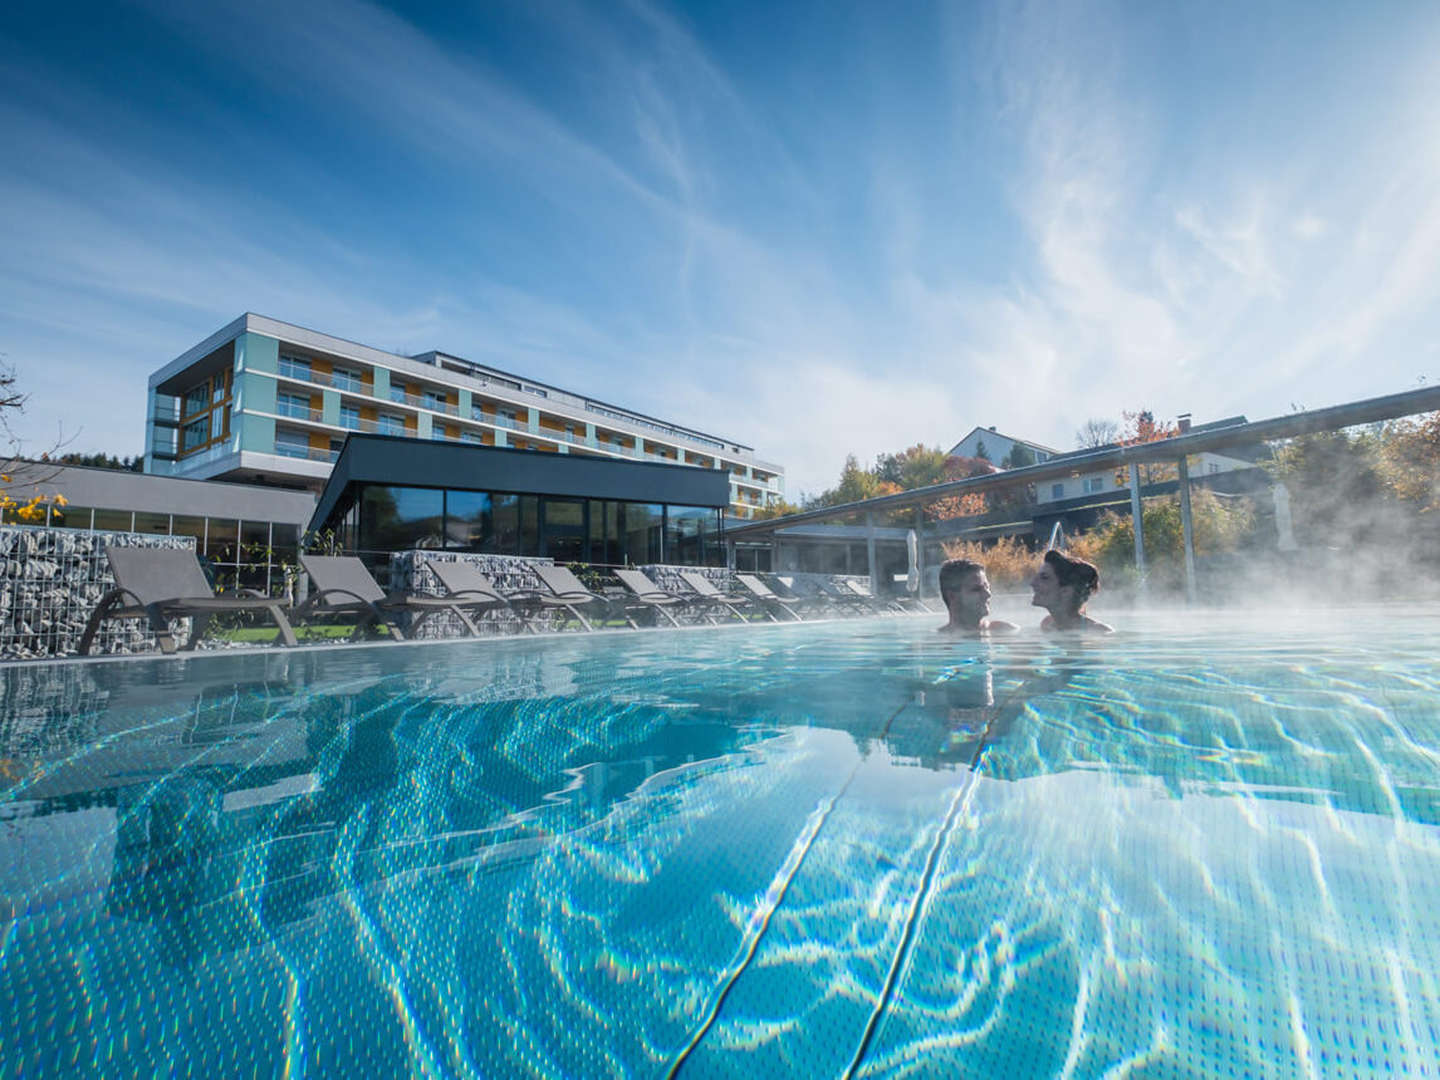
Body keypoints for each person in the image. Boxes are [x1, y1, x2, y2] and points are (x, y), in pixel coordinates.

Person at [1030, 549, 1113, 633]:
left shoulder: (1098, 632)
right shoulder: (1047, 624)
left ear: (1066, 592)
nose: (1032, 583)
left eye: (1044, 578)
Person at [937, 558, 1018, 636]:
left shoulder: (1006, 632)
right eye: (977, 589)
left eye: (987, 587)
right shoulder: (938, 642)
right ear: (952, 597)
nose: (988, 594)